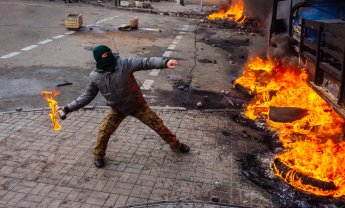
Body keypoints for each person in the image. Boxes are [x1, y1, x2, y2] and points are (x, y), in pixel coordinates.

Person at [60, 45, 190, 168]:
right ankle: (98, 156)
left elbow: (145, 62)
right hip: (118, 109)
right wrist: (67, 109)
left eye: (109, 53)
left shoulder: (124, 64)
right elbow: (86, 96)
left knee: (159, 126)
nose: (109, 56)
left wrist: (164, 62)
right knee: (104, 131)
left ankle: (176, 145)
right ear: (99, 58)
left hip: (137, 105)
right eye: (105, 55)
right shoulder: (95, 77)